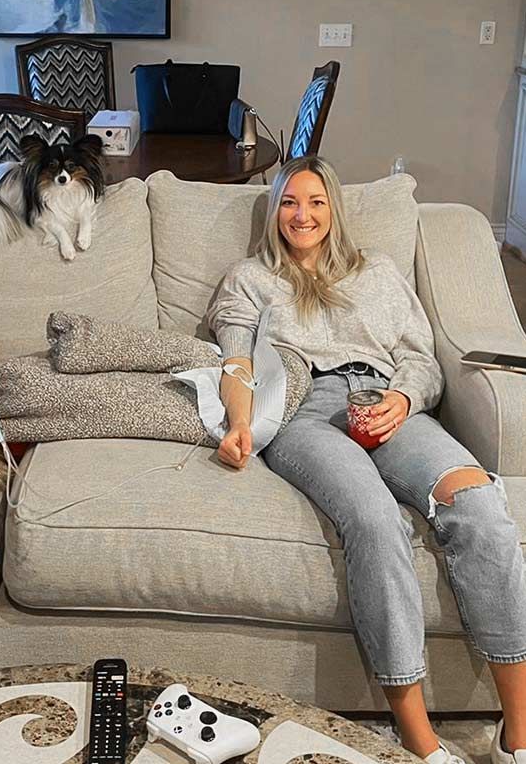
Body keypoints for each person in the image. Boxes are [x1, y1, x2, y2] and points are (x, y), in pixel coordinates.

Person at [206, 155, 526, 764]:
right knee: (376, 522)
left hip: (387, 399)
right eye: (291, 203)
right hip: (304, 410)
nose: (303, 214)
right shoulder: (249, 279)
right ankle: (419, 738)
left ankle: (519, 734)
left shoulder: (377, 273)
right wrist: (241, 424)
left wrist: (403, 401)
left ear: (335, 210)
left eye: (317, 202)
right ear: (274, 211)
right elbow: (236, 362)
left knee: (479, 503)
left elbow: (422, 358)